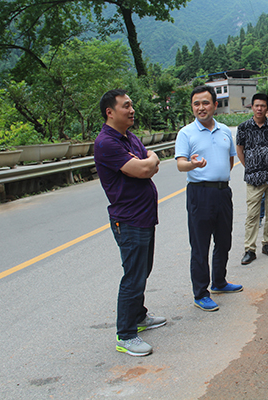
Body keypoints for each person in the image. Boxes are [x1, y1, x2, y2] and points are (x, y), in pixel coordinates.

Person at [94, 89, 165, 357]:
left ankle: (139, 316)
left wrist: (149, 159)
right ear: (110, 112)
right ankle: (125, 334)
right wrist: (151, 160)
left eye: (132, 105)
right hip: (129, 219)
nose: (132, 109)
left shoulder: (128, 137)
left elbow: (148, 158)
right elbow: (147, 167)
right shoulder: (107, 143)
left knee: (142, 270)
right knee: (133, 276)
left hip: (143, 216)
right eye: (126, 106)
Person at [175, 85, 243, 312]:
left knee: (224, 240)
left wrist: (219, 178)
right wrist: (193, 165)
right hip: (199, 193)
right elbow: (180, 164)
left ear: (215, 105)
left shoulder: (225, 131)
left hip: (223, 192)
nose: (201, 108)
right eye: (196, 104)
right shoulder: (186, 133)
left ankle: (220, 281)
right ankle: (201, 293)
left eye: (205, 103)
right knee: (200, 244)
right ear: (192, 107)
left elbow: (230, 160)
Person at [237, 94, 268, 265]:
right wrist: (248, 166)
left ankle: (267, 244)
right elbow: (240, 149)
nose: (259, 109)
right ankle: (249, 249)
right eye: (256, 105)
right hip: (253, 177)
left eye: (263, 106)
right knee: (252, 215)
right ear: (252, 107)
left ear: (267, 107)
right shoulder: (244, 127)